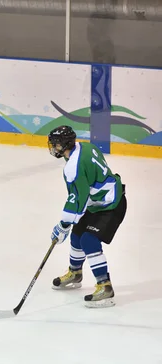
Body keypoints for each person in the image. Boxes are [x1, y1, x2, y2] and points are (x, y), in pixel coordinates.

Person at [48, 125, 127, 308]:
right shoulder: (86, 147)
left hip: (110, 205)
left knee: (88, 240)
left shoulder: (72, 168)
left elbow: (77, 199)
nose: (53, 147)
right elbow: (84, 193)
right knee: (76, 235)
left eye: (56, 144)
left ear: (65, 144)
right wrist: (70, 226)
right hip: (99, 201)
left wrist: (63, 224)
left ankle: (105, 287)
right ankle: (75, 273)